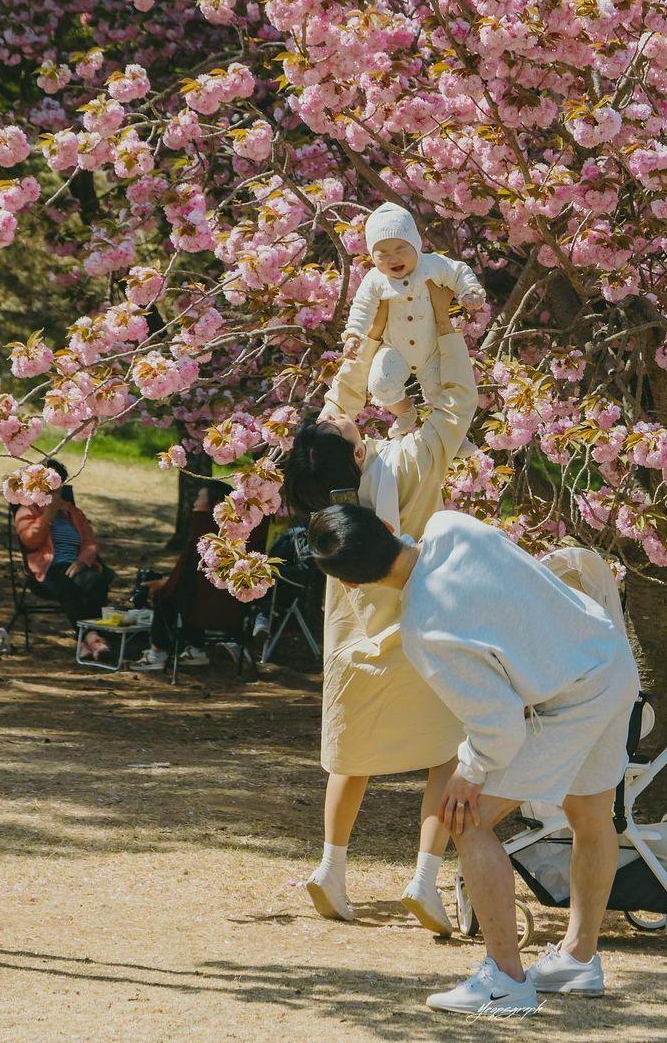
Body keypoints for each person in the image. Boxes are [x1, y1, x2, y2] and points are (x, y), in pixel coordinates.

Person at [308, 504, 640, 1017]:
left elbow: (498, 726)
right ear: (385, 528)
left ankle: (506, 980)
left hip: (572, 697)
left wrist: (469, 773)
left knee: (465, 820)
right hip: (609, 659)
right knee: (590, 813)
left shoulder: (425, 628)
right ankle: (578, 958)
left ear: (351, 586)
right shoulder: (450, 524)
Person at [283, 281, 477, 936]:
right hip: (422, 623)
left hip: (356, 630)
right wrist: (442, 326)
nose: (348, 413)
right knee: (447, 753)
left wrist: (373, 329)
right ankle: (424, 878)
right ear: (358, 449)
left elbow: (336, 411)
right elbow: (457, 406)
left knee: (351, 753)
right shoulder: (411, 463)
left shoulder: (328, 513)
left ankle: (331, 868)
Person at [342, 202, 485, 438]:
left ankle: (454, 438)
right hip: (395, 349)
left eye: (401, 248)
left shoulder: (432, 265)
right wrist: (354, 335)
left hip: (431, 349)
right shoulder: (375, 279)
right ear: (372, 256)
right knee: (380, 383)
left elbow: (459, 271)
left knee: (443, 396)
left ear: (416, 245)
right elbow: (362, 308)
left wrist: (470, 292)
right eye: (383, 254)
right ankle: (406, 413)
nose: (393, 258)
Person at [129, 478, 236, 672]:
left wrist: (162, 586)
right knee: (188, 593)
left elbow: (183, 577)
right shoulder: (239, 534)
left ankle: (157, 652)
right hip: (233, 610)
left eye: (200, 499)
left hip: (201, 609)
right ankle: (196, 649)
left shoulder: (203, 531)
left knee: (167, 597)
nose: (195, 503)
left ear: (214, 505)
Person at [14, 459, 113, 659]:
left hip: (76, 566)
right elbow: (30, 541)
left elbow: (90, 542)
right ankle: (92, 637)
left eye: (57, 488)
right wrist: (48, 514)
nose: (53, 493)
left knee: (97, 581)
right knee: (67, 586)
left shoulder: (72, 512)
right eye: (48, 488)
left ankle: (86, 643)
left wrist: (82, 561)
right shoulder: (27, 510)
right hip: (47, 571)